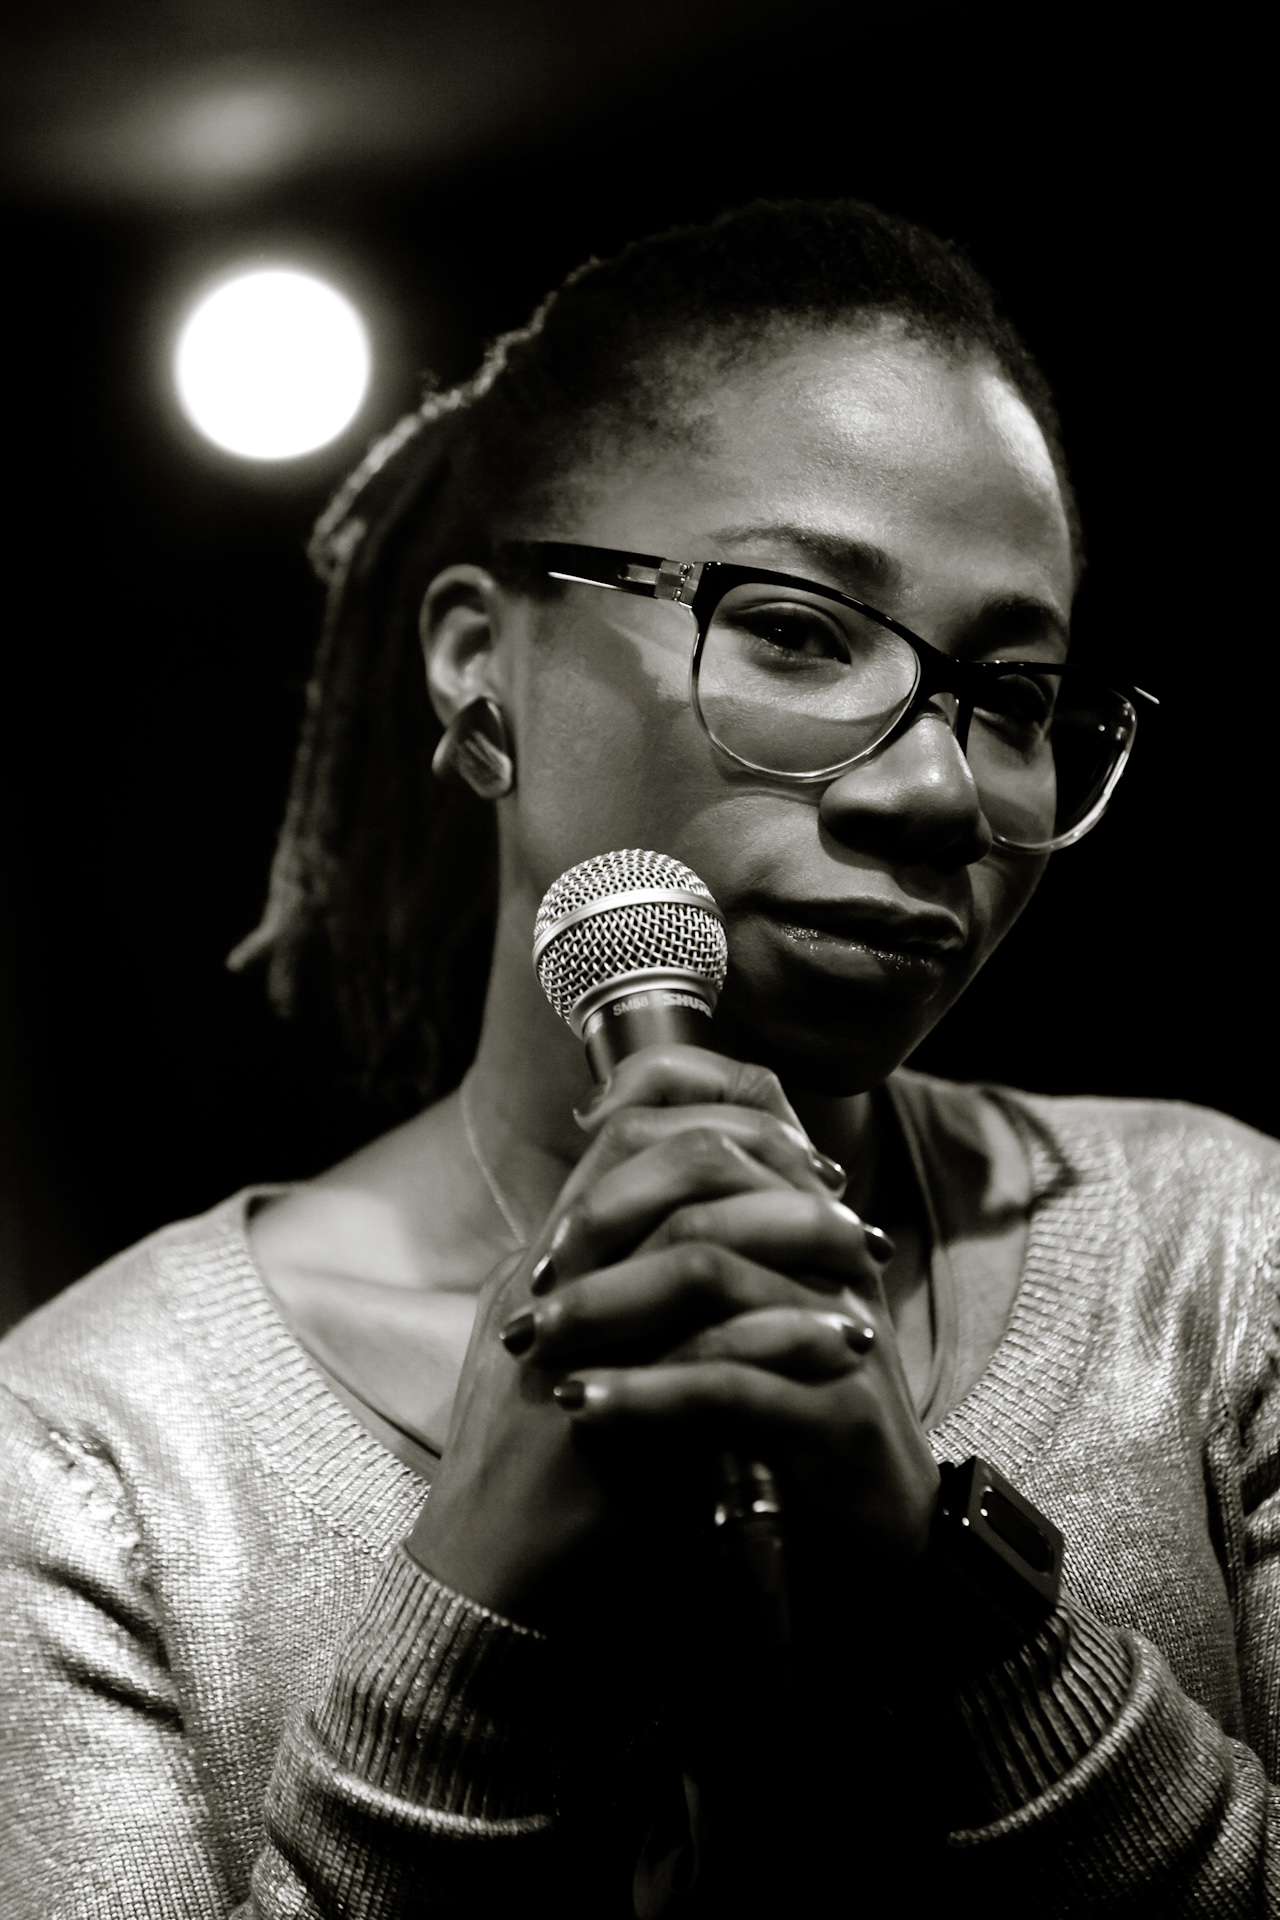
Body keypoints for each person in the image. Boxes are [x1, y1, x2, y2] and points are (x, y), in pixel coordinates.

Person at [0, 198, 1275, 1917]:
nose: (941, 792)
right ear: (476, 664)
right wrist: (471, 1622)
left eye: (1016, 695)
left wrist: (957, 1597)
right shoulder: (95, 1456)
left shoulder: (1218, 1257)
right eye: (799, 628)